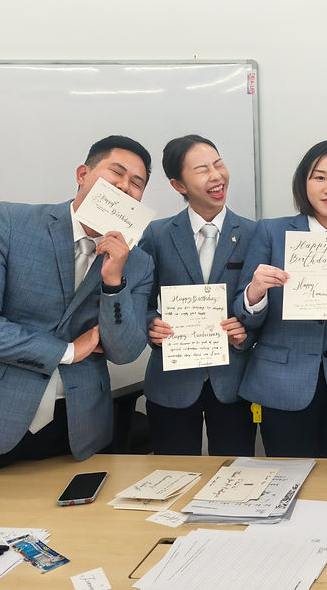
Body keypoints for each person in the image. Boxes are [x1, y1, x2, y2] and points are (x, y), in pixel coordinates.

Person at [0, 136, 154, 488]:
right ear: (83, 174)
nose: (125, 187)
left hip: (76, 428)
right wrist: (66, 351)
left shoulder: (137, 263)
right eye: (117, 173)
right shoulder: (10, 222)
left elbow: (125, 351)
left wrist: (113, 282)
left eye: (136, 184)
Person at [234, 140, 327, 458]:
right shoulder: (271, 232)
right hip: (280, 382)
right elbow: (244, 315)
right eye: (319, 177)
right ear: (304, 182)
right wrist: (255, 291)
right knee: (287, 481)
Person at [137, 135, 257, 456]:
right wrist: (151, 324)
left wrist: (247, 331)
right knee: (174, 476)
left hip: (234, 380)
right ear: (179, 185)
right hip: (171, 381)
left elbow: (264, 305)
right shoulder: (157, 234)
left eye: (218, 164)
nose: (216, 175)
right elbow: (140, 301)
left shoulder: (254, 234)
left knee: (234, 476)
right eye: (202, 170)